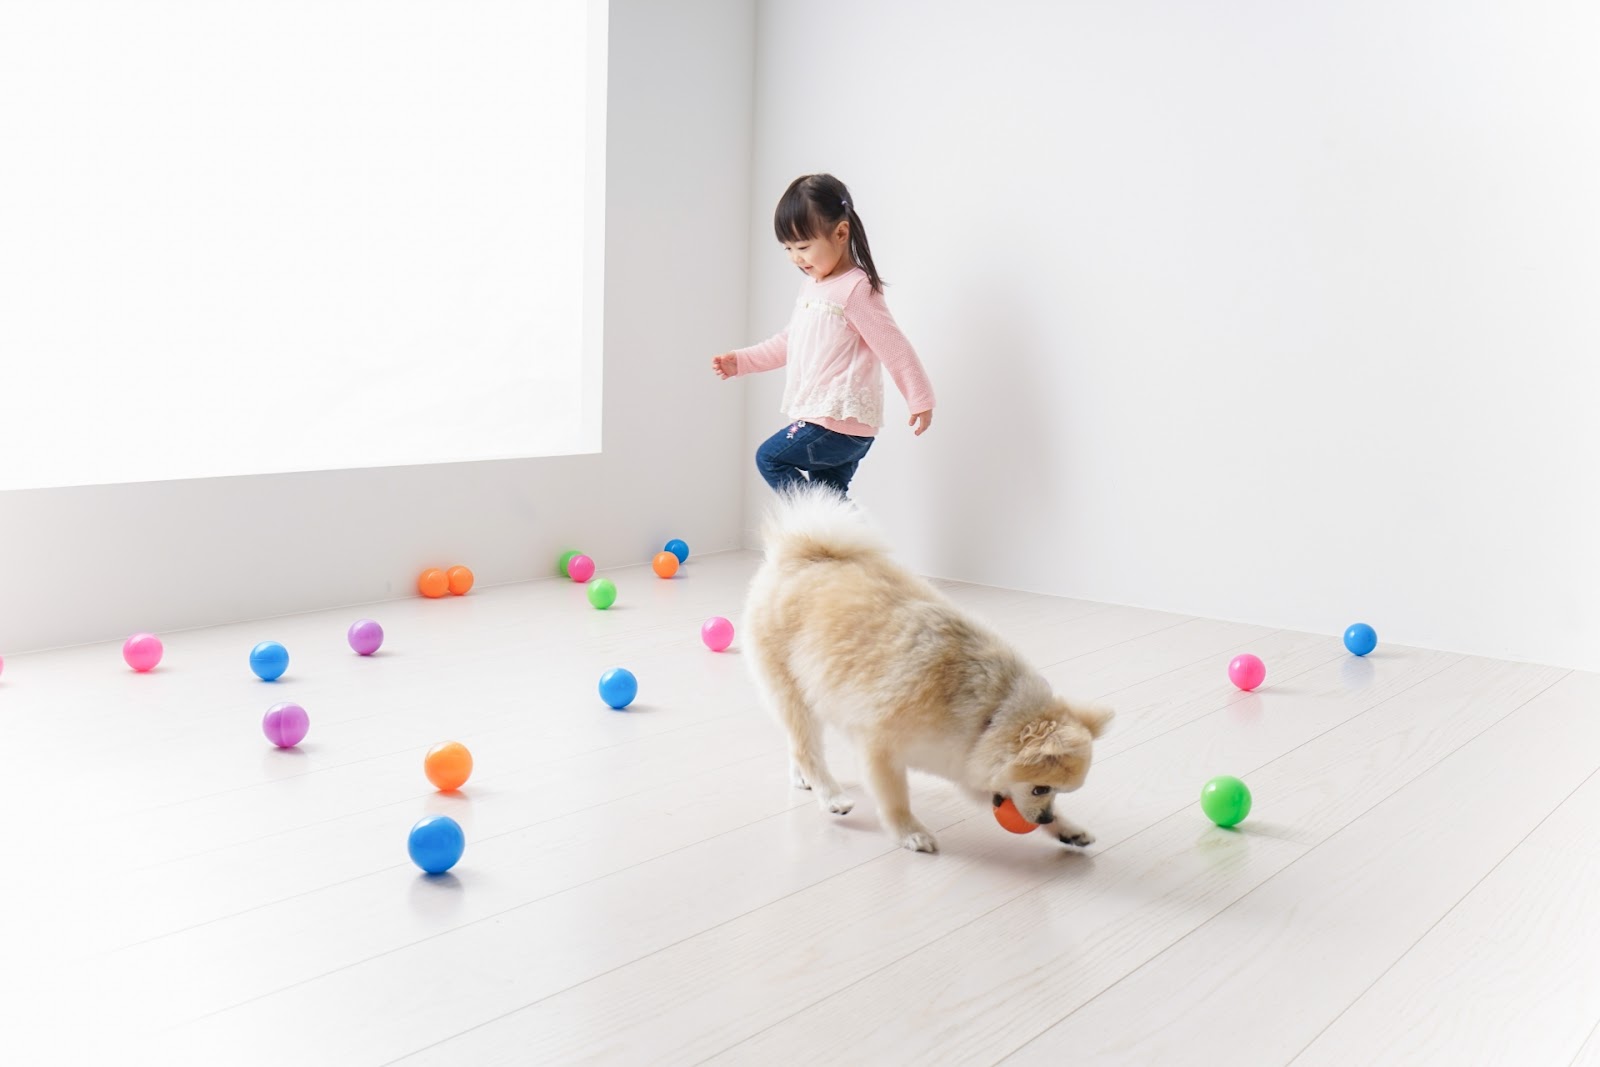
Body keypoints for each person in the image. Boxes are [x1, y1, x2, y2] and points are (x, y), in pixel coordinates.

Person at [712, 173, 934, 496]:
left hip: (836, 423)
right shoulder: (813, 287)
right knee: (829, 498)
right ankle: (846, 543)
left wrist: (920, 397)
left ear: (841, 233)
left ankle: (811, 525)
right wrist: (742, 361)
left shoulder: (855, 289)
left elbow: (893, 346)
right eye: (788, 248)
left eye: (803, 246)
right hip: (832, 424)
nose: (795, 258)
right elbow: (790, 340)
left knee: (770, 458)